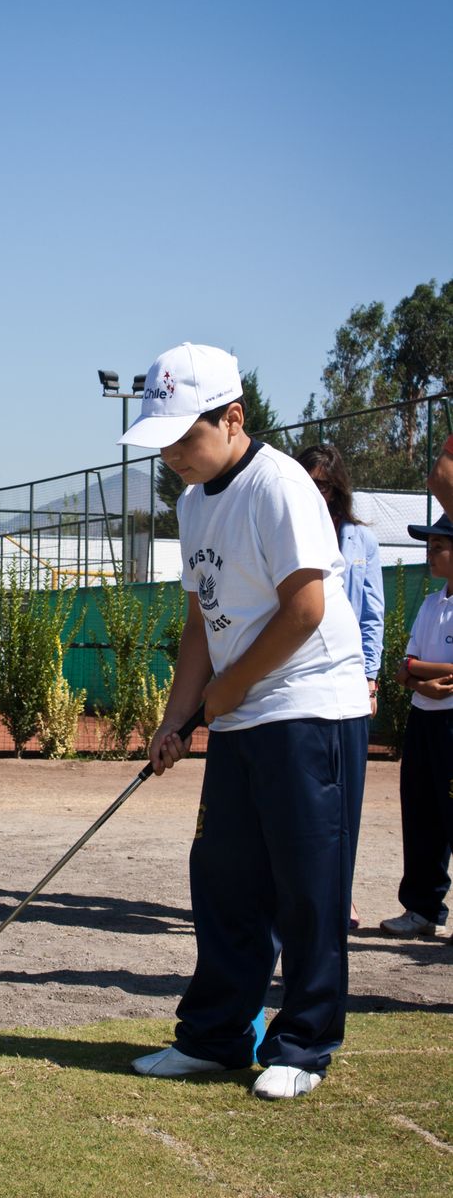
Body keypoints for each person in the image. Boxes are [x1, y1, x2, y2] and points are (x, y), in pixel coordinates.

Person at [118, 343, 370, 1100]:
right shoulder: (193, 501)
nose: (170, 455)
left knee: (307, 887)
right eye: (158, 440)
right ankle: (214, 1038)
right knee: (223, 882)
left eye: (182, 436)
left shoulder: (279, 485)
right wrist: (178, 715)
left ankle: (301, 1045)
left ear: (232, 418)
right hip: (240, 712)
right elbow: (201, 618)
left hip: (309, 709)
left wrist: (224, 694)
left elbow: (305, 609)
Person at [296, 444, 383, 929]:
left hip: (349, 680)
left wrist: (370, 679)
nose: (315, 492)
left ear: (337, 489)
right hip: (301, 677)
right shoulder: (289, 527)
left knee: (347, 796)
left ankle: (341, 895)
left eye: (323, 484)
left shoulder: (361, 541)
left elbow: (373, 614)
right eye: (307, 482)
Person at [379, 512, 453, 938]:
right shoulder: (430, 603)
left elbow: (414, 669)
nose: (431, 553)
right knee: (421, 815)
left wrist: (418, 673)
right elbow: (404, 667)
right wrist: (421, 675)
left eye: (440, 546)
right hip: (423, 721)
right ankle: (422, 909)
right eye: (430, 546)